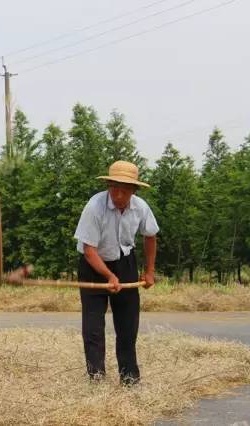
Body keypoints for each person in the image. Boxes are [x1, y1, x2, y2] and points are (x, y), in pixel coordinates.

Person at [74, 160, 159, 385]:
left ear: (133, 190)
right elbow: (89, 251)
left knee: (128, 324)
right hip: (92, 266)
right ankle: (96, 377)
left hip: (125, 263)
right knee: (93, 327)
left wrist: (149, 272)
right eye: (114, 187)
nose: (118, 194)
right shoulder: (94, 207)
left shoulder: (140, 207)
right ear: (108, 185)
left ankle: (129, 376)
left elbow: (150, 236)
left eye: (124, 189)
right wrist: (109, 276)